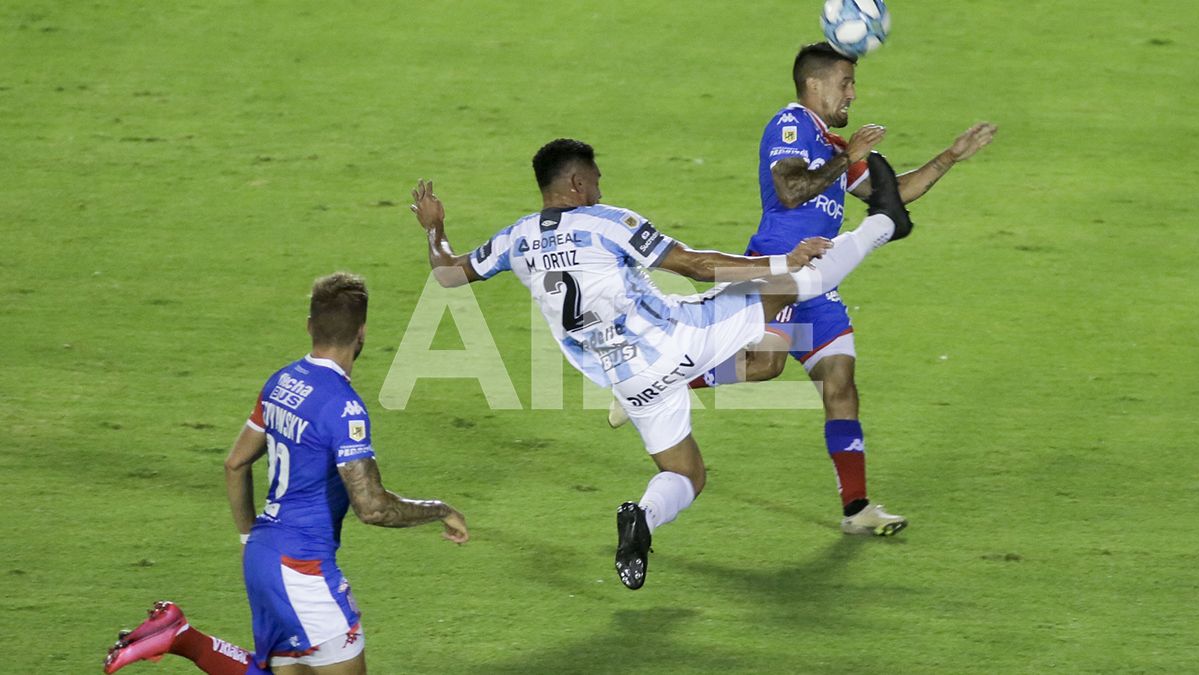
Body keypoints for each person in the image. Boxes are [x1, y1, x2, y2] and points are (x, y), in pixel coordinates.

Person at [410, 138, 912, 590]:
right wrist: (784, 260)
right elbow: (694, 265)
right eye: (597, 182)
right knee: (792, 283)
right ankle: (886, 221)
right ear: (577, 182)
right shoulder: (605, 221)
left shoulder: (514, 239)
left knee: (687, 474)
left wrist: (436, 229)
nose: (601, 191)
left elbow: (449, 275)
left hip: (625, 378)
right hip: (677, 339)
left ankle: (643, 520)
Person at [614, 42, 997, 537]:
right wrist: (848, 158)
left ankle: (856, 509)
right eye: (845, 83)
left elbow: (892, 197)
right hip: (776, 275)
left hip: (819, 282)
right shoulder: (790, 125)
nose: (852, 95)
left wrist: (950, 157)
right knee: (766, 365)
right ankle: (653, 383)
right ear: (814, 85)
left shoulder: (833, 147)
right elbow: (790, 189)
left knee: (840, 383)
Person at [104, 272, 469, 675]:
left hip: (263, 554)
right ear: (361, 333)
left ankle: (183, 636)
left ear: (310, 325)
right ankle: (182, 638)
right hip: (303, 567)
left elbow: (235, 463)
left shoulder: (282, 381)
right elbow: (372, 508)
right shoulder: (343, 407)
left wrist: (248, 536)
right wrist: (439, 509)